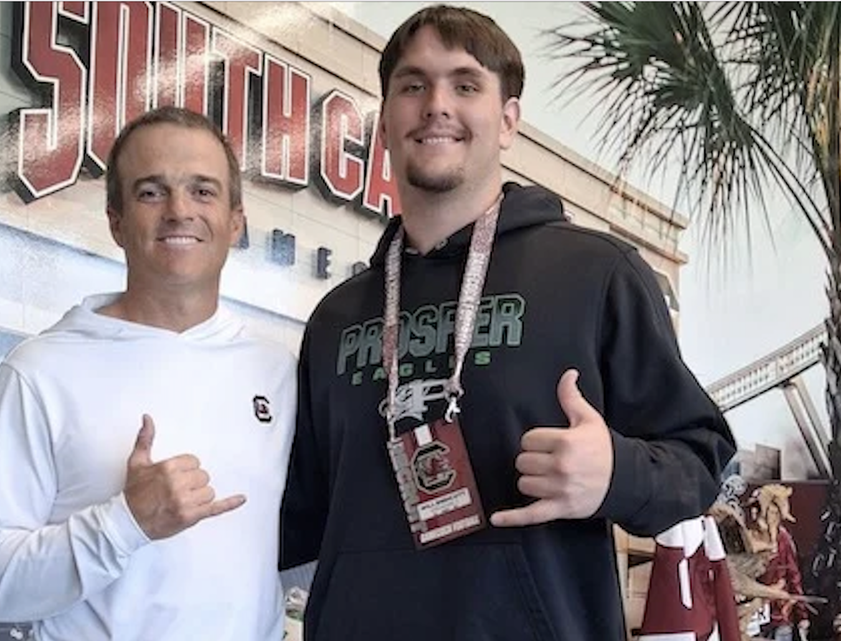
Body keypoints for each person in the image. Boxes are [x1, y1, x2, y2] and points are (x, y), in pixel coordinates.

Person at [278, 5, 737, 640]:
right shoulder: (337, 317)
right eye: (412, 85)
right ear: (384, 122)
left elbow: (702, 457)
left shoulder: (595, 274)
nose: (436, 105)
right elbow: (297, 514)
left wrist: (617, 474)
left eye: (466, 85)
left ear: (508, 121)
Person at [0, 106, 297, 640]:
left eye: (203, 191)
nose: (179, 211)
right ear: (116, 221)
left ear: (236, 222)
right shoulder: (39, 371)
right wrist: (124, 523)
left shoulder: (277, 372)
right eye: (151, 192)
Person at [748, 484, 810, 641]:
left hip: (780, 613)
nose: (753, 512)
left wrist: (801, 615)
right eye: (752, 508)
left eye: (758, 508)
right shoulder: (747, 537)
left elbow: (793, 575)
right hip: (754, 613)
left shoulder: (783, 539)